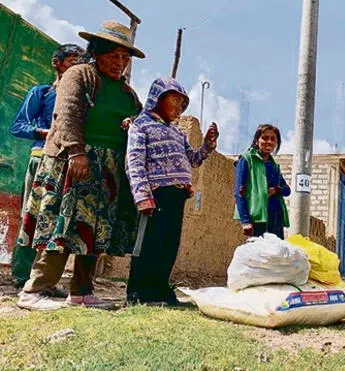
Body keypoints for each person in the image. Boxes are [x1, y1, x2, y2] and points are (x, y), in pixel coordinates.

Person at [16, 21, 145, 311]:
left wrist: (132, 125)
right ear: (96, 53)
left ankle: (82, 292)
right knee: (64, 225)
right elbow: (68, 113)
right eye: (114, 55)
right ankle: (35, 289)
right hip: (74, 163)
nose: (120, 63)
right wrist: (76, 152)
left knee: (96, 230)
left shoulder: (127, 93)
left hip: (108, 170)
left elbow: (138, 122)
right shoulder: (79, 75)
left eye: (125, 58)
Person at [125, 77, 219, 305]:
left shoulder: (177, 133)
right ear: (157, 98)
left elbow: (193, 160)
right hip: (155, 195)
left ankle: (159, 291)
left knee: (169, 246)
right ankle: (138, 294)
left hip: (177, 197)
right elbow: (134, 161)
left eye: (183, 104)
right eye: (175, 100)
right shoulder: (141, 125)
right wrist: (142, 196)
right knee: (149, 244)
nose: (179, 108)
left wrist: (207, 146)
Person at [10, 44, 84, 289]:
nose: (78, 68)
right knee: (31, 215)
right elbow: (18, 126)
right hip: (41, 157)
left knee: (56, 220)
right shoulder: (41, 93)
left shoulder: (83, 98)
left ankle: (43, 279)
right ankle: (22, 275)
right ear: (56, 63)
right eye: (72, 62)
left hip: (68, 161)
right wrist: (46, 132)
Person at [233, 124, 290, 239]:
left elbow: (287, 190)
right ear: (257, 140)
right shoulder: (247, 159)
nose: (269, 142)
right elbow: (239, 192)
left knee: (276, 255)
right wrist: (245, 221)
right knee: (257, 254)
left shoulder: (274, 165)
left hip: (275, 217)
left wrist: (275, 190)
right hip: (257, 218)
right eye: (265, 138)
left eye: (273, 139)